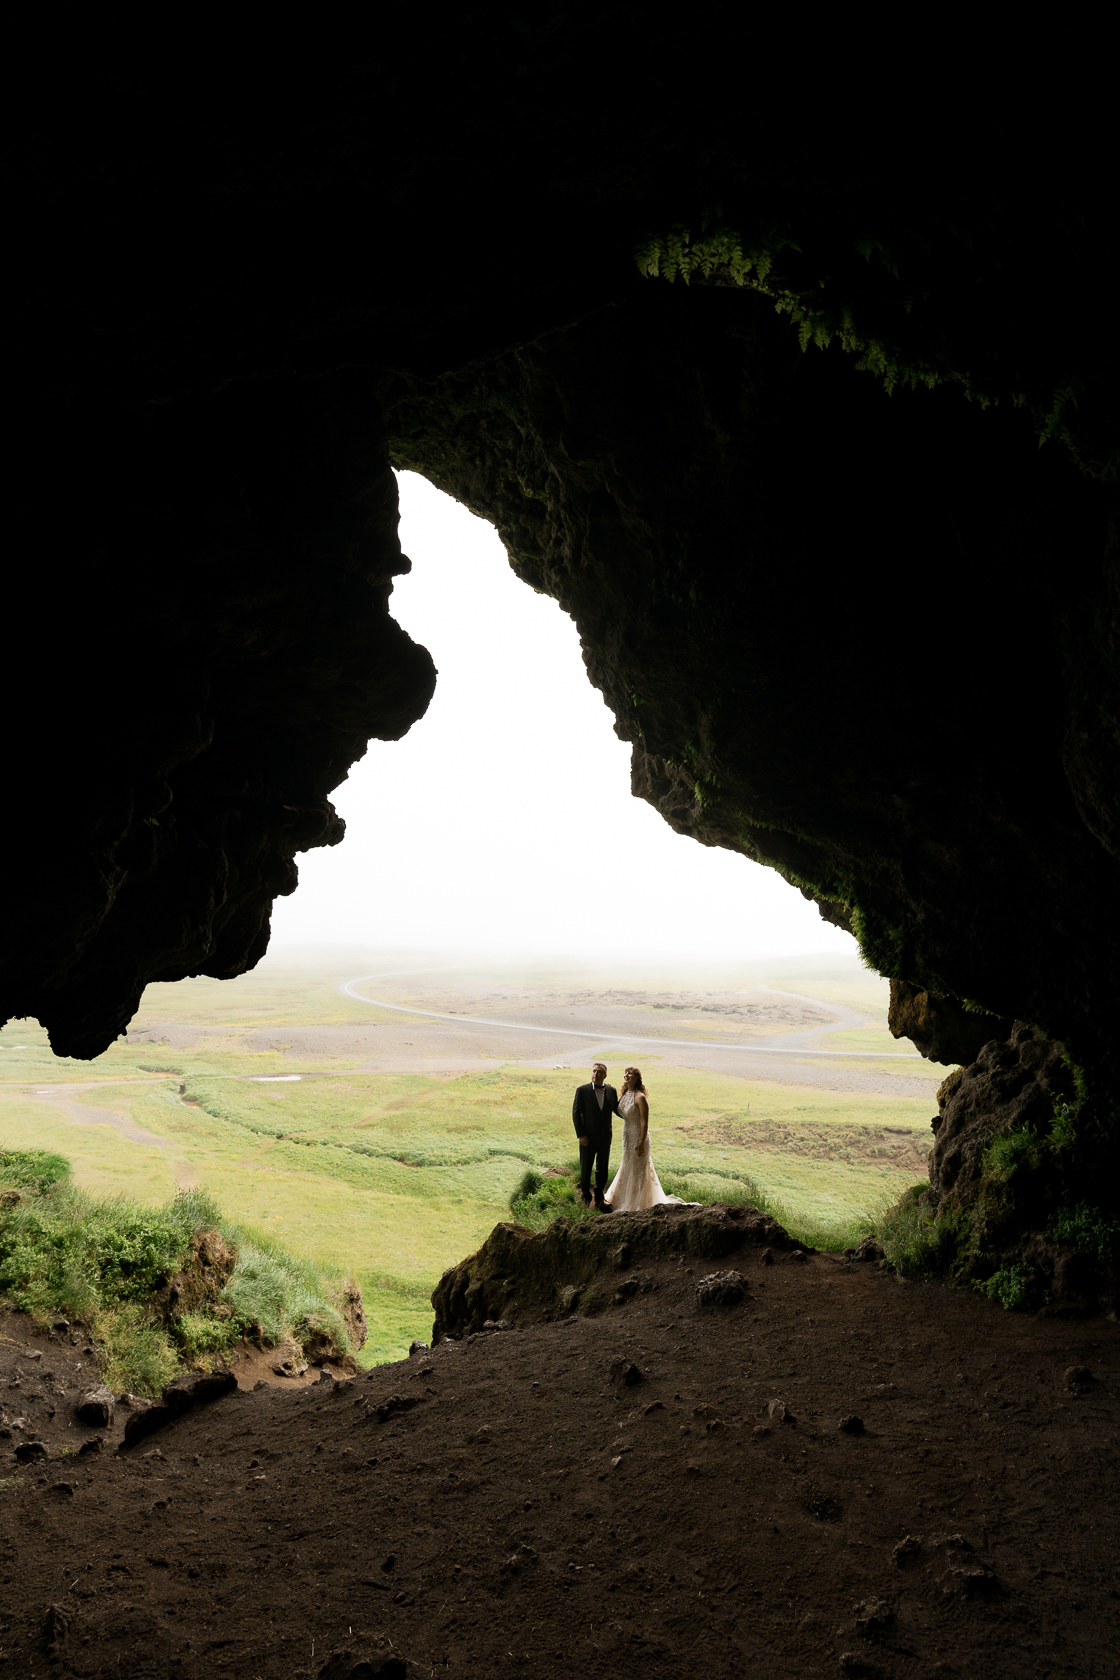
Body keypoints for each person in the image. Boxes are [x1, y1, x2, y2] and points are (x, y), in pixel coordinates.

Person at [603, 1065, 685, 1212]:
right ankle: (622, 1198)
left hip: (638, 1137)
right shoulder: (625, 1094)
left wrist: (641, 1142)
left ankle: (637, 1202)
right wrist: (610, 1090)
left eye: (631, 1074)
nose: (627, 1075)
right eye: (626, 1073)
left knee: (638, 1169)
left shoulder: (640, 1097)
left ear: (637, 1078)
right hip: (627, 1136)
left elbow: (644, 1122)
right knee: (627, 1164)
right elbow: (619, 1111)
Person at [571, 1061, 620, 1211]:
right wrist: (581, 1135)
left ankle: (599, 1198)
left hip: (605, 1137)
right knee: (586, 1167)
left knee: (602, 1168)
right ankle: (586, 1197)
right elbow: (576, 1114)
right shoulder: (582, 1090)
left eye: (599, 1072)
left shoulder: (611, 1090)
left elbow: (617, 1110)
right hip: (587, 1138)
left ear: (605, 1075)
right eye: (594, 1071)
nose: (595, 1074)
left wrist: (634, 1113)